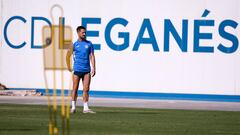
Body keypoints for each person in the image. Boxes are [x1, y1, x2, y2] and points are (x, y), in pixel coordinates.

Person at [66, 26, 96, 114]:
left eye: (85, 32)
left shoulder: (89, 44)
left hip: (87, 70)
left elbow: (92, 56)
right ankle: (73, 107)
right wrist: (68, 67)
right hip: (77, 69)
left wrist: (94, 67)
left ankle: (85, 108)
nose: (84, 34)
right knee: (74, 88)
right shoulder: (74, 44)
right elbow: (68, 56)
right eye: (83, 32)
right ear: (78, 33)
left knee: (86, 89)